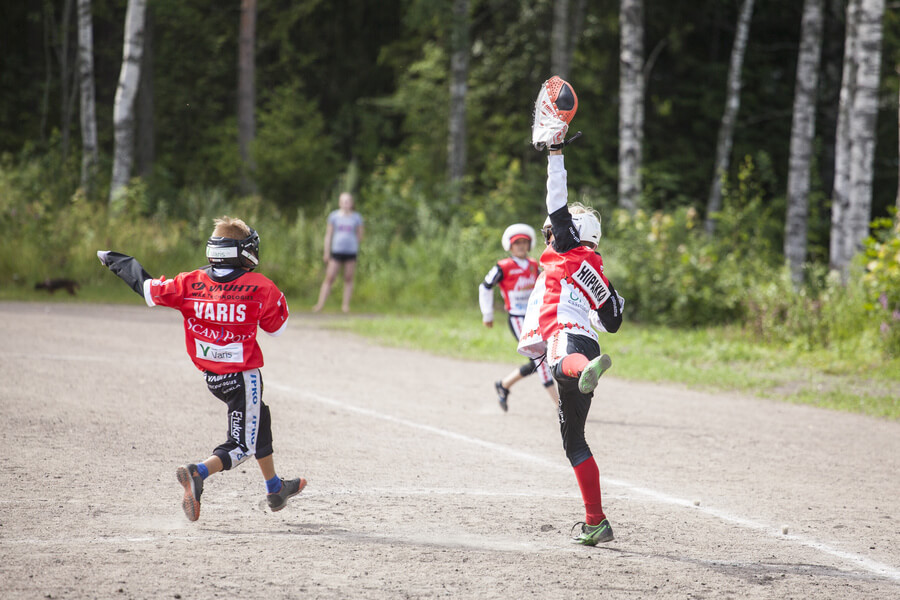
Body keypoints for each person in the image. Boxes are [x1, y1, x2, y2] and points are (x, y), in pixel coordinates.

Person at [97, 216, 306, 522]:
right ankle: (198, 472)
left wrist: (115, 260)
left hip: (213, 378)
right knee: (242, 445)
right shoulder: (260, 286)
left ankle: (275, 489)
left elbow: (147, 288)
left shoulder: (189, 282)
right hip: (243, 377)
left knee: (259, 417)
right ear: (242, 252)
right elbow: (277, 329)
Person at [519, 76, 625, 546]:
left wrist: (556, 151)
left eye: (553, 232)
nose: (548, 236)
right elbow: (613, 320)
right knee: (574, 441)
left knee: (565, 360)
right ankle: (595, 521)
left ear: (571, 234)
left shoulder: (566, 249)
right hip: (591, 342)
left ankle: (582, 371)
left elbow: (556, 202)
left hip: (568, 346)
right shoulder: (596, 270)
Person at [479, 223, 558, 411]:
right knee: (541, 358)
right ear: (510, 245)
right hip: (517, 318)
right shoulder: (503, 266)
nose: (521, 246)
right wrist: (487, 313)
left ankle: (504, 385)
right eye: (517, 243)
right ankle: (559, 404)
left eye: (524, 242)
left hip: (535, 316)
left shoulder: (533, 264)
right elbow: (485, 286)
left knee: (539, 359)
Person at [312, 192, 364, 313]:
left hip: (351, 252)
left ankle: (345, 306)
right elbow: (328, 235)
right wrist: (326, 252)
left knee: (348, 278)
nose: (346, 203)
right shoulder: (334, 216)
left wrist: (354, 244)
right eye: (343, 201)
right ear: (340, 203)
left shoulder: (357, 218)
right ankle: (320, 304)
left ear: (351, 203)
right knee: (329, 277)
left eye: (348, 201)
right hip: (336, 251)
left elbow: (360, 235)